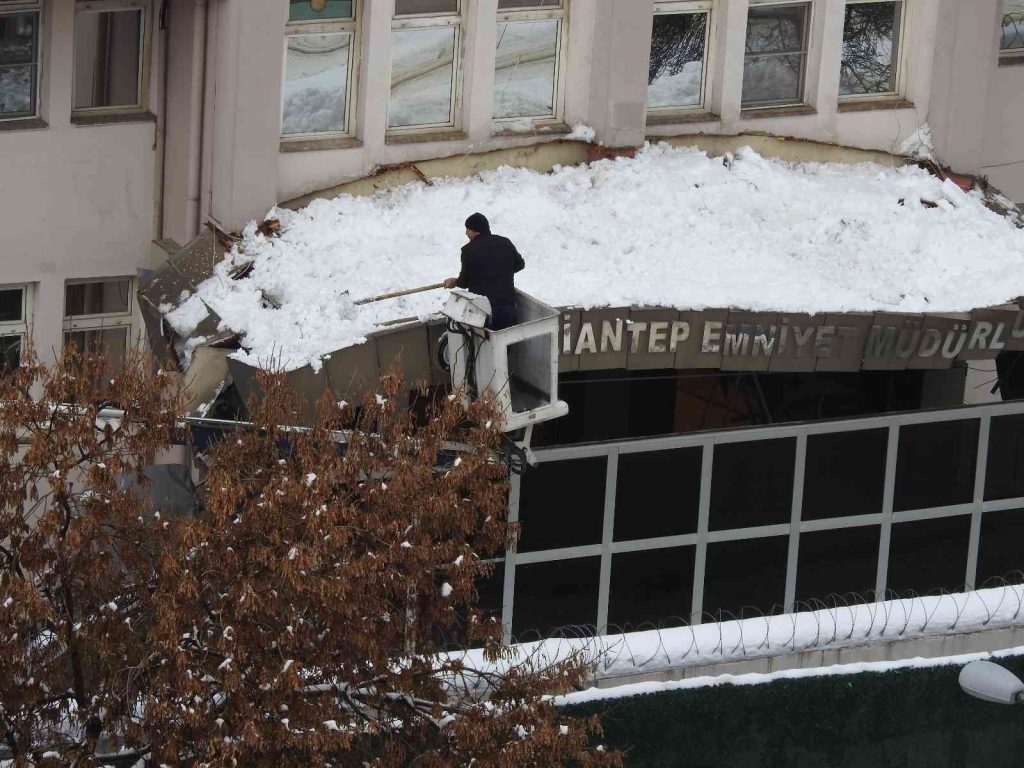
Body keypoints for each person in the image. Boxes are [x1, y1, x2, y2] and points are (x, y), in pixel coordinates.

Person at [443, 213, 525, 330]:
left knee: (482, 344)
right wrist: (502, 272)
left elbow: (464, 282)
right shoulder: (505, 242)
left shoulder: (468, 251)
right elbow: (520, 265)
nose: (466, 233)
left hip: (481, 309)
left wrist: (454, 282)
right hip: (506, 305)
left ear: (476, 230)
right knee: (504, 342)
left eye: (468, 229)